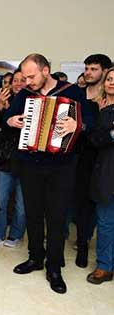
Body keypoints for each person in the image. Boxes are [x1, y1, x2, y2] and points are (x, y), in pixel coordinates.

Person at [5, 53, 88, 294]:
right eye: (24, 77)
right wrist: (12, 121)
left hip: (61, 166)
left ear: (45, 70)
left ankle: (54, 268)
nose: (28, 81)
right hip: (30, 163)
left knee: (56, 217)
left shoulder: (71, 91)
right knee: (32, 213)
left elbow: (89, 121)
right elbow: (8, 116)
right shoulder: (24, 95)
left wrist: (78, 126)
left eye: (31, 76)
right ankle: (35, 258)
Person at [73, 54, 112, 268]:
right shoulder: (77, 94)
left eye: (94, 69)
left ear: (105, 71)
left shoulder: (109, 98)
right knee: (80, 203)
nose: (88, 72)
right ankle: (82, 246)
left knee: (100, 207)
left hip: (103, 158)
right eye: (86, 68)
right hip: (78, 156)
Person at [0, 70, 27, 248]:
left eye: (22, 80)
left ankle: (16, 234)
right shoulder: (5, 102)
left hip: (27, 160)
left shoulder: (34, 102)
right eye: (14, 81)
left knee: (21, 204)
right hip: (4, 158)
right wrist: (1, 107)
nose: (17, 84)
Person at [87, 67, 114, 284]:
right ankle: (104, 266)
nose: (112, 83)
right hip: (106, 174)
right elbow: (95, 140)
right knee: (105, 223)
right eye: (109, 80)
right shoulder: (102, 111)